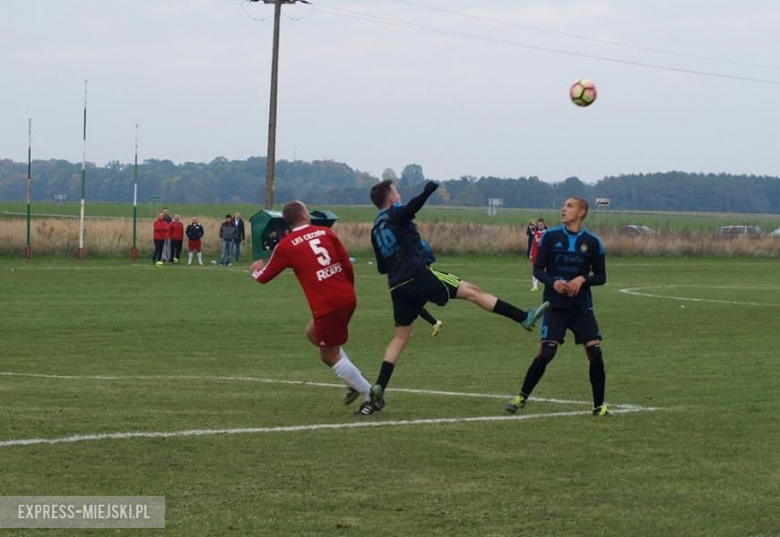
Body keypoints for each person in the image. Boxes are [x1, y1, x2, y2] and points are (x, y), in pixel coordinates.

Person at [363, 179, 549, 415]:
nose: (399, 195)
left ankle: (380, 385)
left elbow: (382, 267)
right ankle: (523, 317)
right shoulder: (395, 213)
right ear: (391, 199)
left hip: (397, 286)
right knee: (472, 291)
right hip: (418, 275)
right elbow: (410, 208)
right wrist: (427, 191)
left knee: (400, 337)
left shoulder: (375, 229)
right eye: (396, 192)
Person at [251, 201, 373, 410]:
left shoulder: (286, 245)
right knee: (313, 333)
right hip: (346, 295)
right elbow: (346, 263)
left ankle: (369, 393)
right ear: (304, 216)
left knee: (328, 355)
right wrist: (346, 290)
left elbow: (263, 277)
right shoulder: (325, 232)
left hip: (327, 303)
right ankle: (352, 378)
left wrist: (255, 270)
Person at [505, 197, 610, 417]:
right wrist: (553, 283)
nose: (563, 209)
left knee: (595, 353)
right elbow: (538, 270)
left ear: (581, 212)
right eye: (564, 205)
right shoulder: (550, 237)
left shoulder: (593, 242)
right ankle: (521, 397)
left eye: (569, 206)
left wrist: (582, 279)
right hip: (555, 306)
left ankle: (599, 406)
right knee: (547, 353)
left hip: (581, 308)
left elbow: (601, 277)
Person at [529, 218, 547, 291]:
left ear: (544, 225)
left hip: (544, 255)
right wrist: (531, 254)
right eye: (539, 225)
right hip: (536, 255)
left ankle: (548, 285)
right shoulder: (536, 234)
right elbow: (533, 245)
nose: (540, 226)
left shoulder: (546, 233)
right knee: (535, 270)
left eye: (541, 224)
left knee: (546, 271)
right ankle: (535, 286)